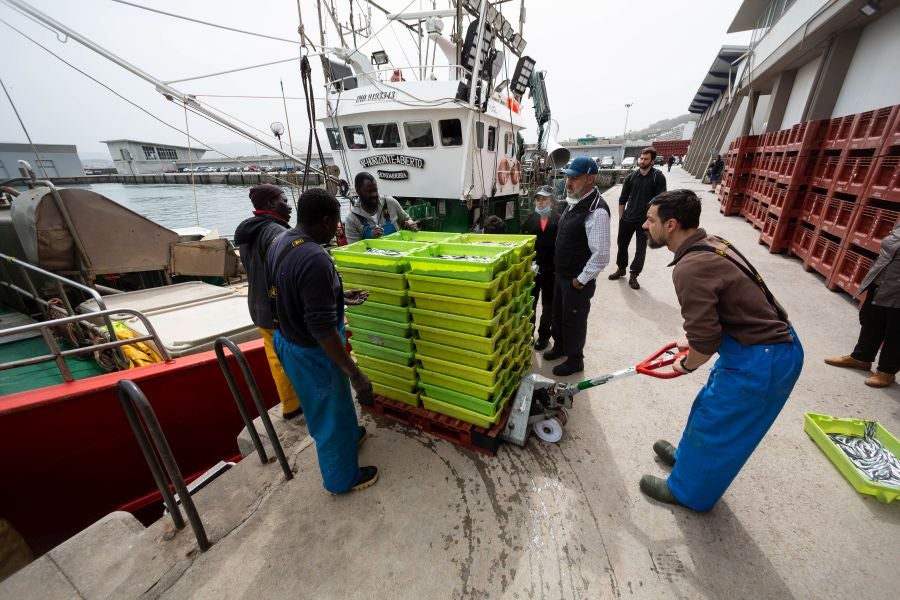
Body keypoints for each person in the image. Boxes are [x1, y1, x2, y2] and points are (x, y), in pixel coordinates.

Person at [639, 189, 803, 511]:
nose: (645, 225)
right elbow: (725, 308)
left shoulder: (689, 268)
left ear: (671, 225)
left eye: (650, 219)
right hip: (755, 348)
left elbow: (706, 341)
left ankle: (688, 494)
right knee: (706, 409)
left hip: (763, 358)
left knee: (719, 427)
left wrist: (687, 363)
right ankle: (686, 460)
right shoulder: (711, 242)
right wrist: (696, 340)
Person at [267, 188, 378, 494]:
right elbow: (322, 330)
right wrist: (355, 373)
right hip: (313, 351)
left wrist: (339, 296)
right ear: (324, 220)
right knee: (328, 413)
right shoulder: (315, 257)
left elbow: (295, 293)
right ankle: (341, 479)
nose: (337, 230)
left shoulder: (282, 241)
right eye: (335, 224)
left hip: (288, 340)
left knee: (334, 403)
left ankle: (348, 436)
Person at [233, 184, 301, 420]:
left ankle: (289, 403)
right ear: (271, 204)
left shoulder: (247, 232)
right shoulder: (275, 232)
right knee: (290, 357)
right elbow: (286, 270)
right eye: (284, 199)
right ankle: (296, 405)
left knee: (275, 357)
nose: (289, 204)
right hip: (276, 308)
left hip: (258, 306)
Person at [543, 156, 611, 376]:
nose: (569, 182)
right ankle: (560, 347)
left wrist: (581, 279)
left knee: (574, 319)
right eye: (568, 177)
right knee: (559, 316)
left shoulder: (596, 210)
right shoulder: (575, 202)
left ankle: (575, 360)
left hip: (576, 280)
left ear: (590, 178)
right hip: (561, 275)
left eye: (575, 177)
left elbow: (601, 255)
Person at [824, 224, 900, 387]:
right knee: (871, 318)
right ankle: (861, 358)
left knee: (896, 330)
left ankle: (887, 371)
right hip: (883, 276)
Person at [609, 147, 667, 290]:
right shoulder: (631, 177)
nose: (642, 161)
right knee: (622, 245)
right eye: (641, 158)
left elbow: (661, 201)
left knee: (641, 249)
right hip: (628, 218)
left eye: (646, 159)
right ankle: (621, 268)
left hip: (645, 221)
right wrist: (622, 218)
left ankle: (634, 275)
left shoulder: (657, 177)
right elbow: (622, 199)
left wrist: (653, 221)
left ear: (652, 161)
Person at [521, 185, 560, 350]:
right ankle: (528, 333)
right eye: (538, 199)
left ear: (552, 200)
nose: (541, 202)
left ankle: (544, 335)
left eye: (545, 199)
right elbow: (522, 245)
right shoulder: (529, 220)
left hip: (552, 270)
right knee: (530, 302)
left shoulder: (560, 220)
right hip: (533, 270)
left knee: (548, 305)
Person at [344, 172, 418, 243]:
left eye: (375, 190)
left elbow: (406, 220)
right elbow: (356, 249)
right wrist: (372, 241)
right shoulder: (351, 219)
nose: (374, 194)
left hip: (399, 253)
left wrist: (410, 225)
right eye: (369, 191)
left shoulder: (390, 203)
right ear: (358, 191)